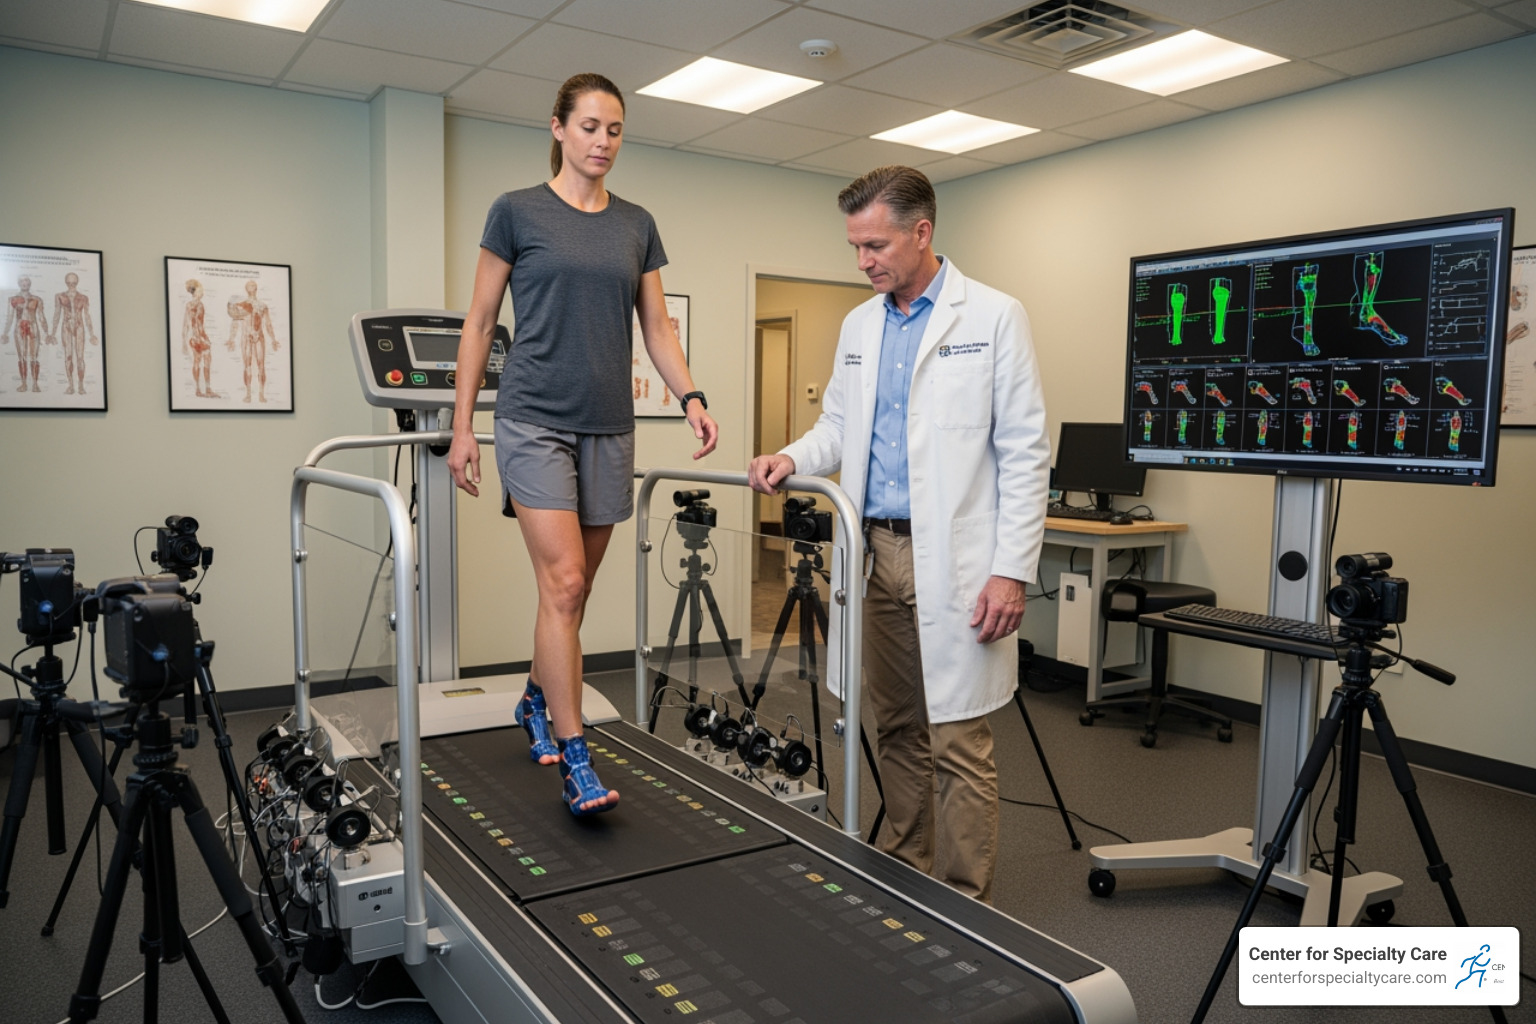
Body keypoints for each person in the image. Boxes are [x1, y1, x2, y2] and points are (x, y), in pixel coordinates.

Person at [748, 166, 1049, 901]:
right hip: (872, 551)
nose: (864, 262)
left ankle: (967, 896)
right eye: (855, 247)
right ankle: (904, 869)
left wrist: (1011, 570)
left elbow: (1025, 450)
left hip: (957, 558)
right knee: (898, 723)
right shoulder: (861, 323)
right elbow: (840, 428)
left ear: (922, 232)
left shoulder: (994, 317)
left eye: (875, 244)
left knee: (958, 734)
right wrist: (792, 455)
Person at [447, 73, 718, 816]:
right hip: (532, 417)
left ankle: (534, 699)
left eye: (615, 130)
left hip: (608, 424)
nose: (603, 142)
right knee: (563, 584)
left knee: (576, 590)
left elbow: (657, 328)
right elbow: (478, 323)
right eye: (590, 126)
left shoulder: (637, 224)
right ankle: (575, 759)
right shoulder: (516, 212)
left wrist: (690, 396)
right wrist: (464, 425)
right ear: (559, 128)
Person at [224, 279, 279, 403]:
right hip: (246, 337)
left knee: (261, 366)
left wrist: (273, 339)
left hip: (259, 337)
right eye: (249, 285)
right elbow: (235, 321)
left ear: (256, 288)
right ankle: (248, 394)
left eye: (253, 285)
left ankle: (261, 394)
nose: (251, 286)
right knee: (247, 365)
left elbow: (268, 323)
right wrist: (231, 338)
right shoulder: (242, 304)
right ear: (246, 288)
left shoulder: (263, 305)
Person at [50, 272, 98, 395]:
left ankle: (81, 385)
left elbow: (87, 316)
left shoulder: (83, 297)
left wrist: (92, 334)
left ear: (77, 283)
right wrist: (53, 333)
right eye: (69, 283)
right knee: (68, 357)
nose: (71, 285)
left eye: (74, 283)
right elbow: (57, 314)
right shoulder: (59, 296)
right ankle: (71, 385)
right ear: (66, 283)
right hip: (66, 326)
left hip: (79, 326)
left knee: (80, 357)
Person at [4, 276, 49, 392]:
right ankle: (24, 384)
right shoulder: (12, 299)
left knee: (34, 356)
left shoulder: (36, 299)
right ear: (19, 284)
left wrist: (47, 333)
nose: (25, 284)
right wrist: (5, 333)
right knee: (22, 357)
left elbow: (41, 317)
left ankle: (35, 384)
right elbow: (9, 317)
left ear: (30, 284)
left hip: (33, 327)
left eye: (27, 282)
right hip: (19, 327)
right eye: (23, 282)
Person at [181, 279, 213, 397]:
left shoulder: (190, 305)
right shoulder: (197, 305)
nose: (202, 292)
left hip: (196, 337)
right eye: (201, 290)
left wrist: (185, 341)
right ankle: (203, 389)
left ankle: (201, 390)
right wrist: (201, 338)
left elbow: (186, 324)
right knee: (203, 361)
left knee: (200, 361)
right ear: (195, 291)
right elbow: (193, 324)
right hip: (198, 337)